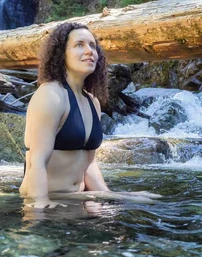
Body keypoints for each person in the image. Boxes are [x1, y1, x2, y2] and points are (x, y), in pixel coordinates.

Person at [19, 22, 158, 210]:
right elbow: (37, 163)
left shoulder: (92, 101)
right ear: (61, 54)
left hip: (78, 199)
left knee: (149, 204)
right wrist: (37, 214)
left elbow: (88, 162)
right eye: (79, 45)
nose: (89, 51)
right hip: (47, 198)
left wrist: (111, 196)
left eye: (92, 46)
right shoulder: (50, 95)